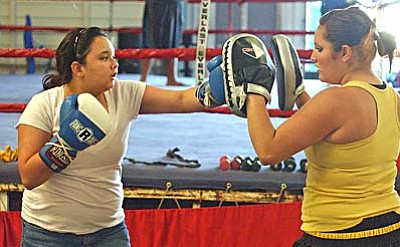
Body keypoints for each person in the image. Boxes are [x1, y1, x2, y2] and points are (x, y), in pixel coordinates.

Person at [17, 27, 225, 247]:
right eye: (104, 58)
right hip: (48, 233)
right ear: (78, 68)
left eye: (113, 57)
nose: (114, 64)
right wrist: (66, 144)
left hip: (108, 231)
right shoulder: (45, 105)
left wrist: (215, 89)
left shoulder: (124, 93)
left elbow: (182, 99)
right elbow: (29, 177)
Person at [221, 7, 399, 246]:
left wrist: (255, 89)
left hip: (337, 235)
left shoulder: (335, 100)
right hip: (389, 228)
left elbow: (268, 150)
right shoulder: (391, 97)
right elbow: (335, 128)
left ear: (344, 52)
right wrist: (299, 94)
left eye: (319, 48)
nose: (313, 57)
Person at [140, 0, 184, 86]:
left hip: (172, 4)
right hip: (155, 3)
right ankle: (143, 78)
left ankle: (171, 78)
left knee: (172, 39)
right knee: (149, 38)